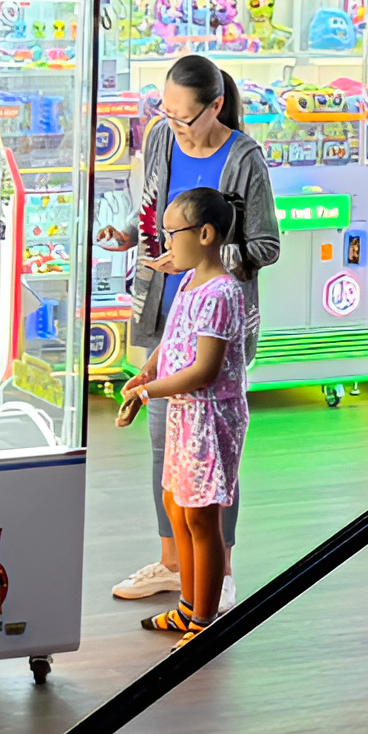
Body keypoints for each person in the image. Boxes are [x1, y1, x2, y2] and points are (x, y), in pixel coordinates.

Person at [99, 54, 280, 606]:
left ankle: (218, 574)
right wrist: (132, 235)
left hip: (215, 331)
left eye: (184, 117)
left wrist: (202, 254)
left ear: (216, 105)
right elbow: (158, 210)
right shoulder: (159, 138)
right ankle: (173, 564)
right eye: (166, 113)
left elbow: (266, 245)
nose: (173, 126)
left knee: (215, 457)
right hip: (165, 316)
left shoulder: (244, 158)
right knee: (167, 451)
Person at [116, 188, 253, 643]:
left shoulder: (221, 292)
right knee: (178, 507)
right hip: (184, 415)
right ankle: (187, 605)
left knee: (201, 518)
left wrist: (146, 393)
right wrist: (147, 371)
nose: (165, 245)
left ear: (206, 234)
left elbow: (203, 370)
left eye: (171, 234)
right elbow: (172, 339)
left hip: (210, 421)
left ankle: (203, 620)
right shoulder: (190, 282)